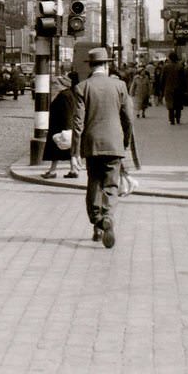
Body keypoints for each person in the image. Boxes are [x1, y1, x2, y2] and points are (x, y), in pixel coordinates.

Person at [72, 47, 134, 249]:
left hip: (92, 144)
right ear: (107, 65)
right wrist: (125, 142)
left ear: (91, 66)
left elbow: (77, 123)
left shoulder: (82, 87)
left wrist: (75, 152)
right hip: (114, 143)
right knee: (110, 184)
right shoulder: (120, 86)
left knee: (94, 182)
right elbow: (128, 119)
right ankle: (107, 216)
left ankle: (97, 222)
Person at [42, 74, 80, 179]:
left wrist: (67, 129)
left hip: (59, 127)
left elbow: (67, 112)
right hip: (63, 126)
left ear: (63, 84)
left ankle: (53, 171)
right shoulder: (69, 94)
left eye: (57, 83)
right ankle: (73, 170)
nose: (55, 85)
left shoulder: (64, 95)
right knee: (68, 149)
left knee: (56, 150)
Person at [160, 52, 187, 125]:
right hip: (179, 88)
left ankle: (171, 119)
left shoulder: (166, 67)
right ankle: (178, 118)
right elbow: (183, 79)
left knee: (170, 104)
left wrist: (162, 88)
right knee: (178, 104)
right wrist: (184, 89)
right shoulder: (180, 67)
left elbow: (162, 79)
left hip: (168, 88)